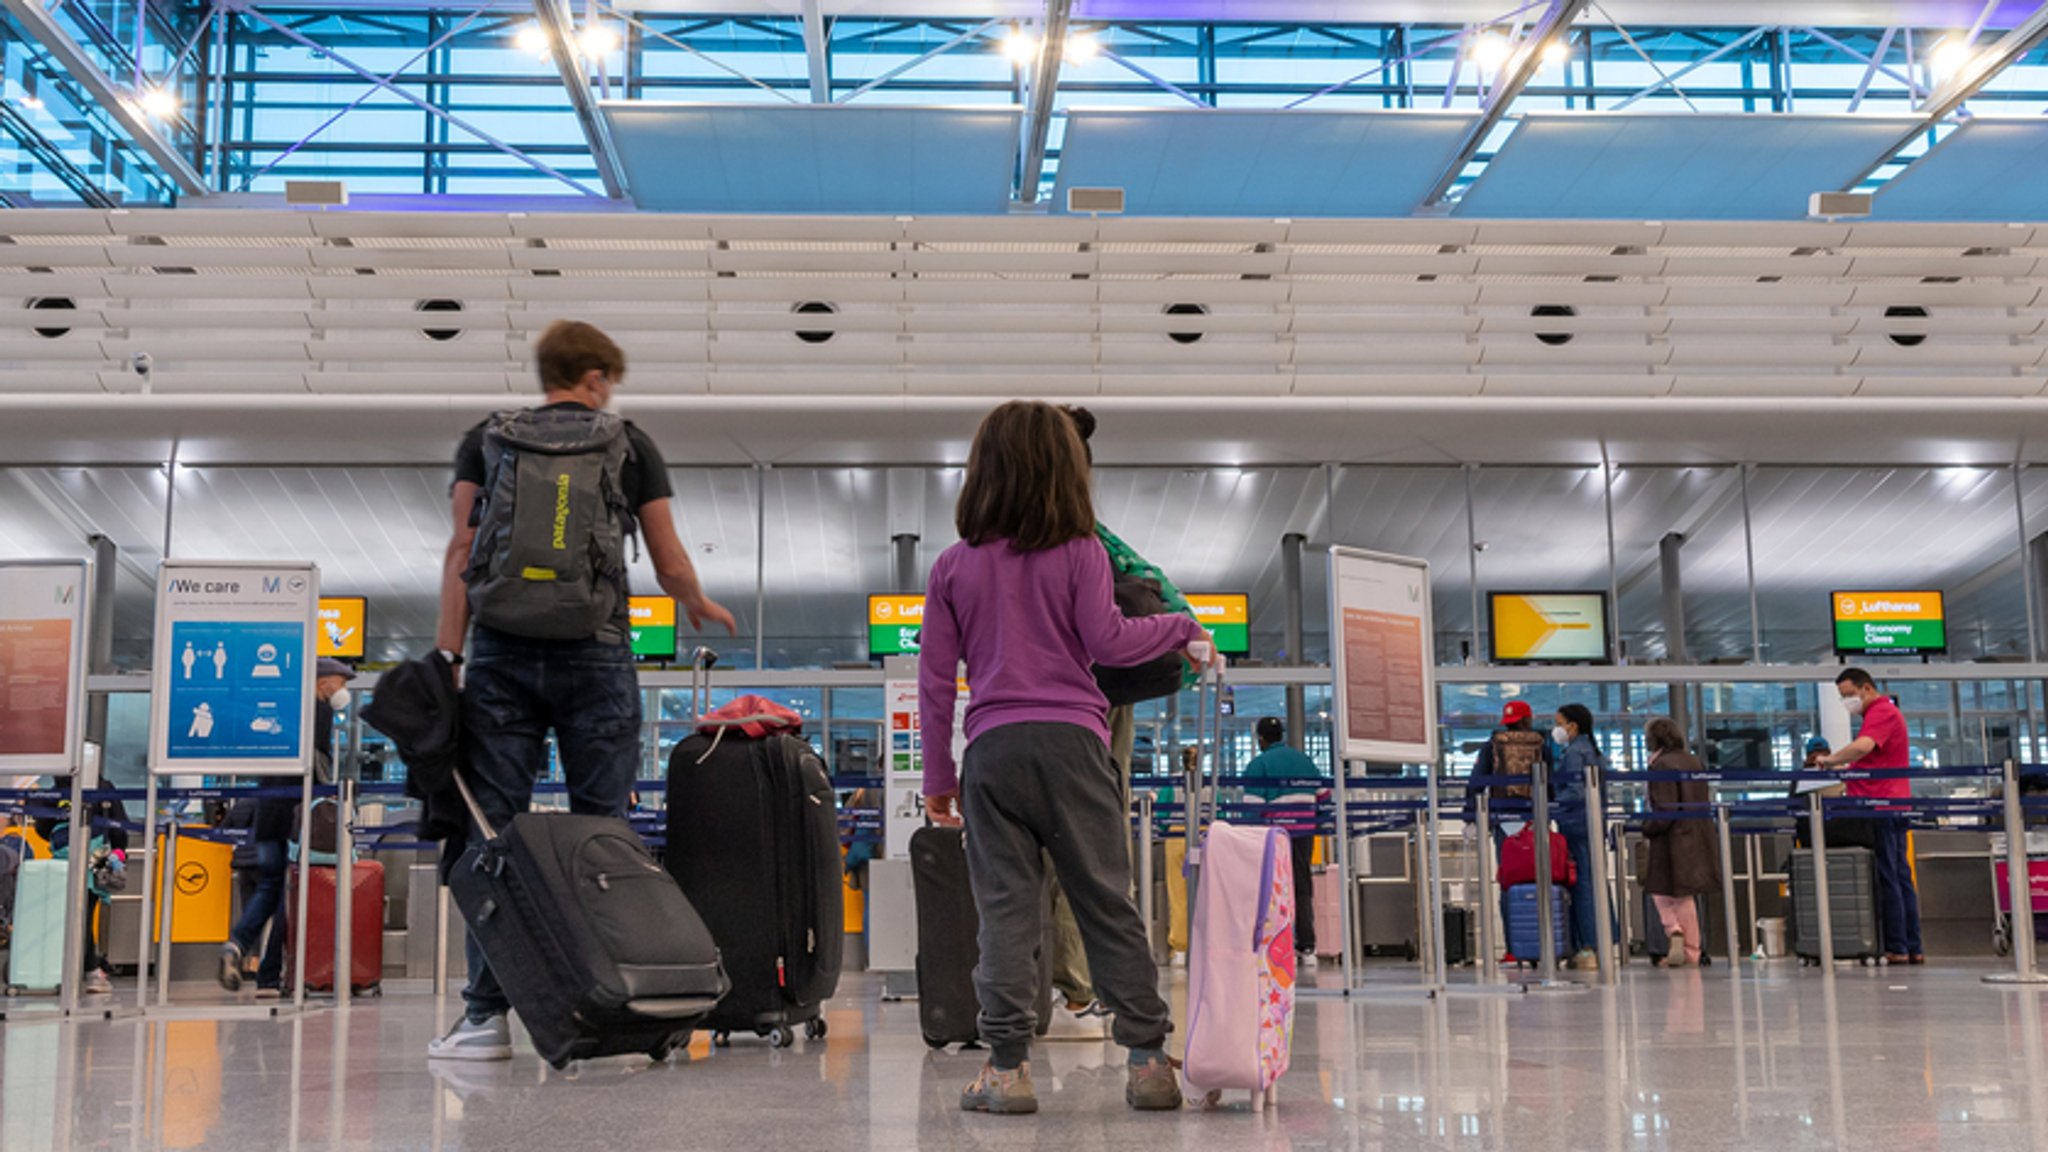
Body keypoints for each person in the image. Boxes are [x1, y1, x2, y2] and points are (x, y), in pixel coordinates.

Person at [428, 320, 736, 1061]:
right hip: (596, 651)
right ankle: (619, 1003)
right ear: (595, 376)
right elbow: (665, 556)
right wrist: (694, 599)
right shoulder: (629, 443)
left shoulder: (486, 440)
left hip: (501, 651)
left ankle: (483, 1020)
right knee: (606, 830)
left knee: (494, 837)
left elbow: (463, 549)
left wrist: (448, 654)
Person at [919, 400, 1213, 1116]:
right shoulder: (1082, 553)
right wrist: (1180, 625)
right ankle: (1147, 1062)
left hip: (992, 753)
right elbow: (1111, 644)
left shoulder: (954, 566)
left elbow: (934, 680)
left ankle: (1007, 1070)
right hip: (1077, 748)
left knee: (1006, 914)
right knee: (1106, 903)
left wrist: (938, 778)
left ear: (981, 472)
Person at [218, 656, 355, 997]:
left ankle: (237, 945)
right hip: (297, 820)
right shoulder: (319, 711)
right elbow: (319, 765)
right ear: (324, 681)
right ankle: (269, 974)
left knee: (270, 888)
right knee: (291, 897)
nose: (344, 690)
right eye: (342, 682)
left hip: (268, 817)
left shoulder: (282, 710)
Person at [1811, 668, 1923, 964]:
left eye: (1849, 695)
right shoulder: (1880, 713)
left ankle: (1898, 946)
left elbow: (1864, 747)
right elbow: (1875, 757)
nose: (1847, 701)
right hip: (1890, 801)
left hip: (1883, 804)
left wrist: (1830, 760)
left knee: (1890, 875)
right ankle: (1911, 945)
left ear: (1867, 689)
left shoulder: (1881, 712)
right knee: (1899, 874)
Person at [1463, 700, 1551, 959]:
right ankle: (1544, 944)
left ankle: (1514, 949)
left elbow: (1477, 781)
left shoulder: (1493, 745)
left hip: (1504, 821)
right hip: (1536, 819)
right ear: (1529, 718)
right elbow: (1551, 779)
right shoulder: (1542, 744)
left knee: (1509, 883)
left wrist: (1469, 816)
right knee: (1542, 881)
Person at [1239, 716, 1325, 968]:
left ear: (1261, 739)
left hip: (1274, 836)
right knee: (1301, 885)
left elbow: (1251, 810)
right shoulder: (1304, 761)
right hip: (1304, 832)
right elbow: (1324, 796)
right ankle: (1307, 947)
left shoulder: (1259, 764)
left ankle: (1273, 943)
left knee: (1270, 888)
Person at [37, 780, 129, 996]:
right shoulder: (103, 787)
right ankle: (91, 970)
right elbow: (119, 826)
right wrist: (118, 852)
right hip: (95, 862)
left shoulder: (57, 788)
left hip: (62, 863)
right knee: (84, 916)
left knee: (69, 918)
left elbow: (42, 826)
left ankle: (80, 968)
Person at [1641, 717, 1717, 968]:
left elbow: (1665, 807)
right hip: (1696, 833)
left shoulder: (1660, 765)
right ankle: (1691, 950)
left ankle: (1674, 930)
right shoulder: (1693, 760)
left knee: (1660, 890)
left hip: (1671, 837)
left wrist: (1647, 827)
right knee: (1685, 894)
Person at [1551, 703, 1610, 971]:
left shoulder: (1575, 752)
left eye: (1559, 722)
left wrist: (1549, 803)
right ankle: (1605, 940)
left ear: (1572, 726)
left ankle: (1588, 947)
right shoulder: (1594, 751)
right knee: (1596, 884)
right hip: (1594, 824)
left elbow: (1575, 791)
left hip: (1576, 825)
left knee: (1583, 886)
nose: (1557, 729)